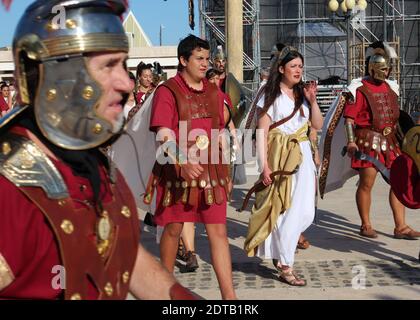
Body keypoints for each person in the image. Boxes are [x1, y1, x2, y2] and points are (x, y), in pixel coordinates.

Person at [0, 0, 196, 300]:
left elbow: (133, 263)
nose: (125, 83)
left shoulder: (99, 169)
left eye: (124, 65)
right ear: (57, 74)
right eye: (108, 66)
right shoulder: (7, 190)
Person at [145, 34, 237, 300]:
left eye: (206, 59)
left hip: (211, 174)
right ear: (183, 60)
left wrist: (227, 172)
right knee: (173, 229)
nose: (204, 63)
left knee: (219, 232)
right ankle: (165, 290)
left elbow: (220, 133)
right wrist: (182, 160)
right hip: (177, 172)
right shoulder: (167, 91)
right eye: (199, 58)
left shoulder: (213, 91)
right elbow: (163, 133)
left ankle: (230, 298)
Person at [243, 46, 323, 286]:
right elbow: (262, 131)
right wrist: (264, 166)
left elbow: (316, 125)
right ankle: (286, 265)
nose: (298, 70)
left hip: (304, 157)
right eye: (293, 66)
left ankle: (281, 252)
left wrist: (313, 100)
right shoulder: (271, 94)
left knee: (306, 212)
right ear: (281, 69)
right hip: (281, 158)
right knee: (288, 209)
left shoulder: (302, 95)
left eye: (300, 66)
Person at [344, 41, 420, 239]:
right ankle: (366, 224)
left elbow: (397, 116)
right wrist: (351, 141)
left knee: (399, 182)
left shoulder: (390, 88)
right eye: (383, 68)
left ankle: (401, 226)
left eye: (388, 69)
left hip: (391, 141)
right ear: (373, 68)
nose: (386, 72)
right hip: (368, 140)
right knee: (367, 183)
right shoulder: (360, 89)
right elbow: (349, 118)